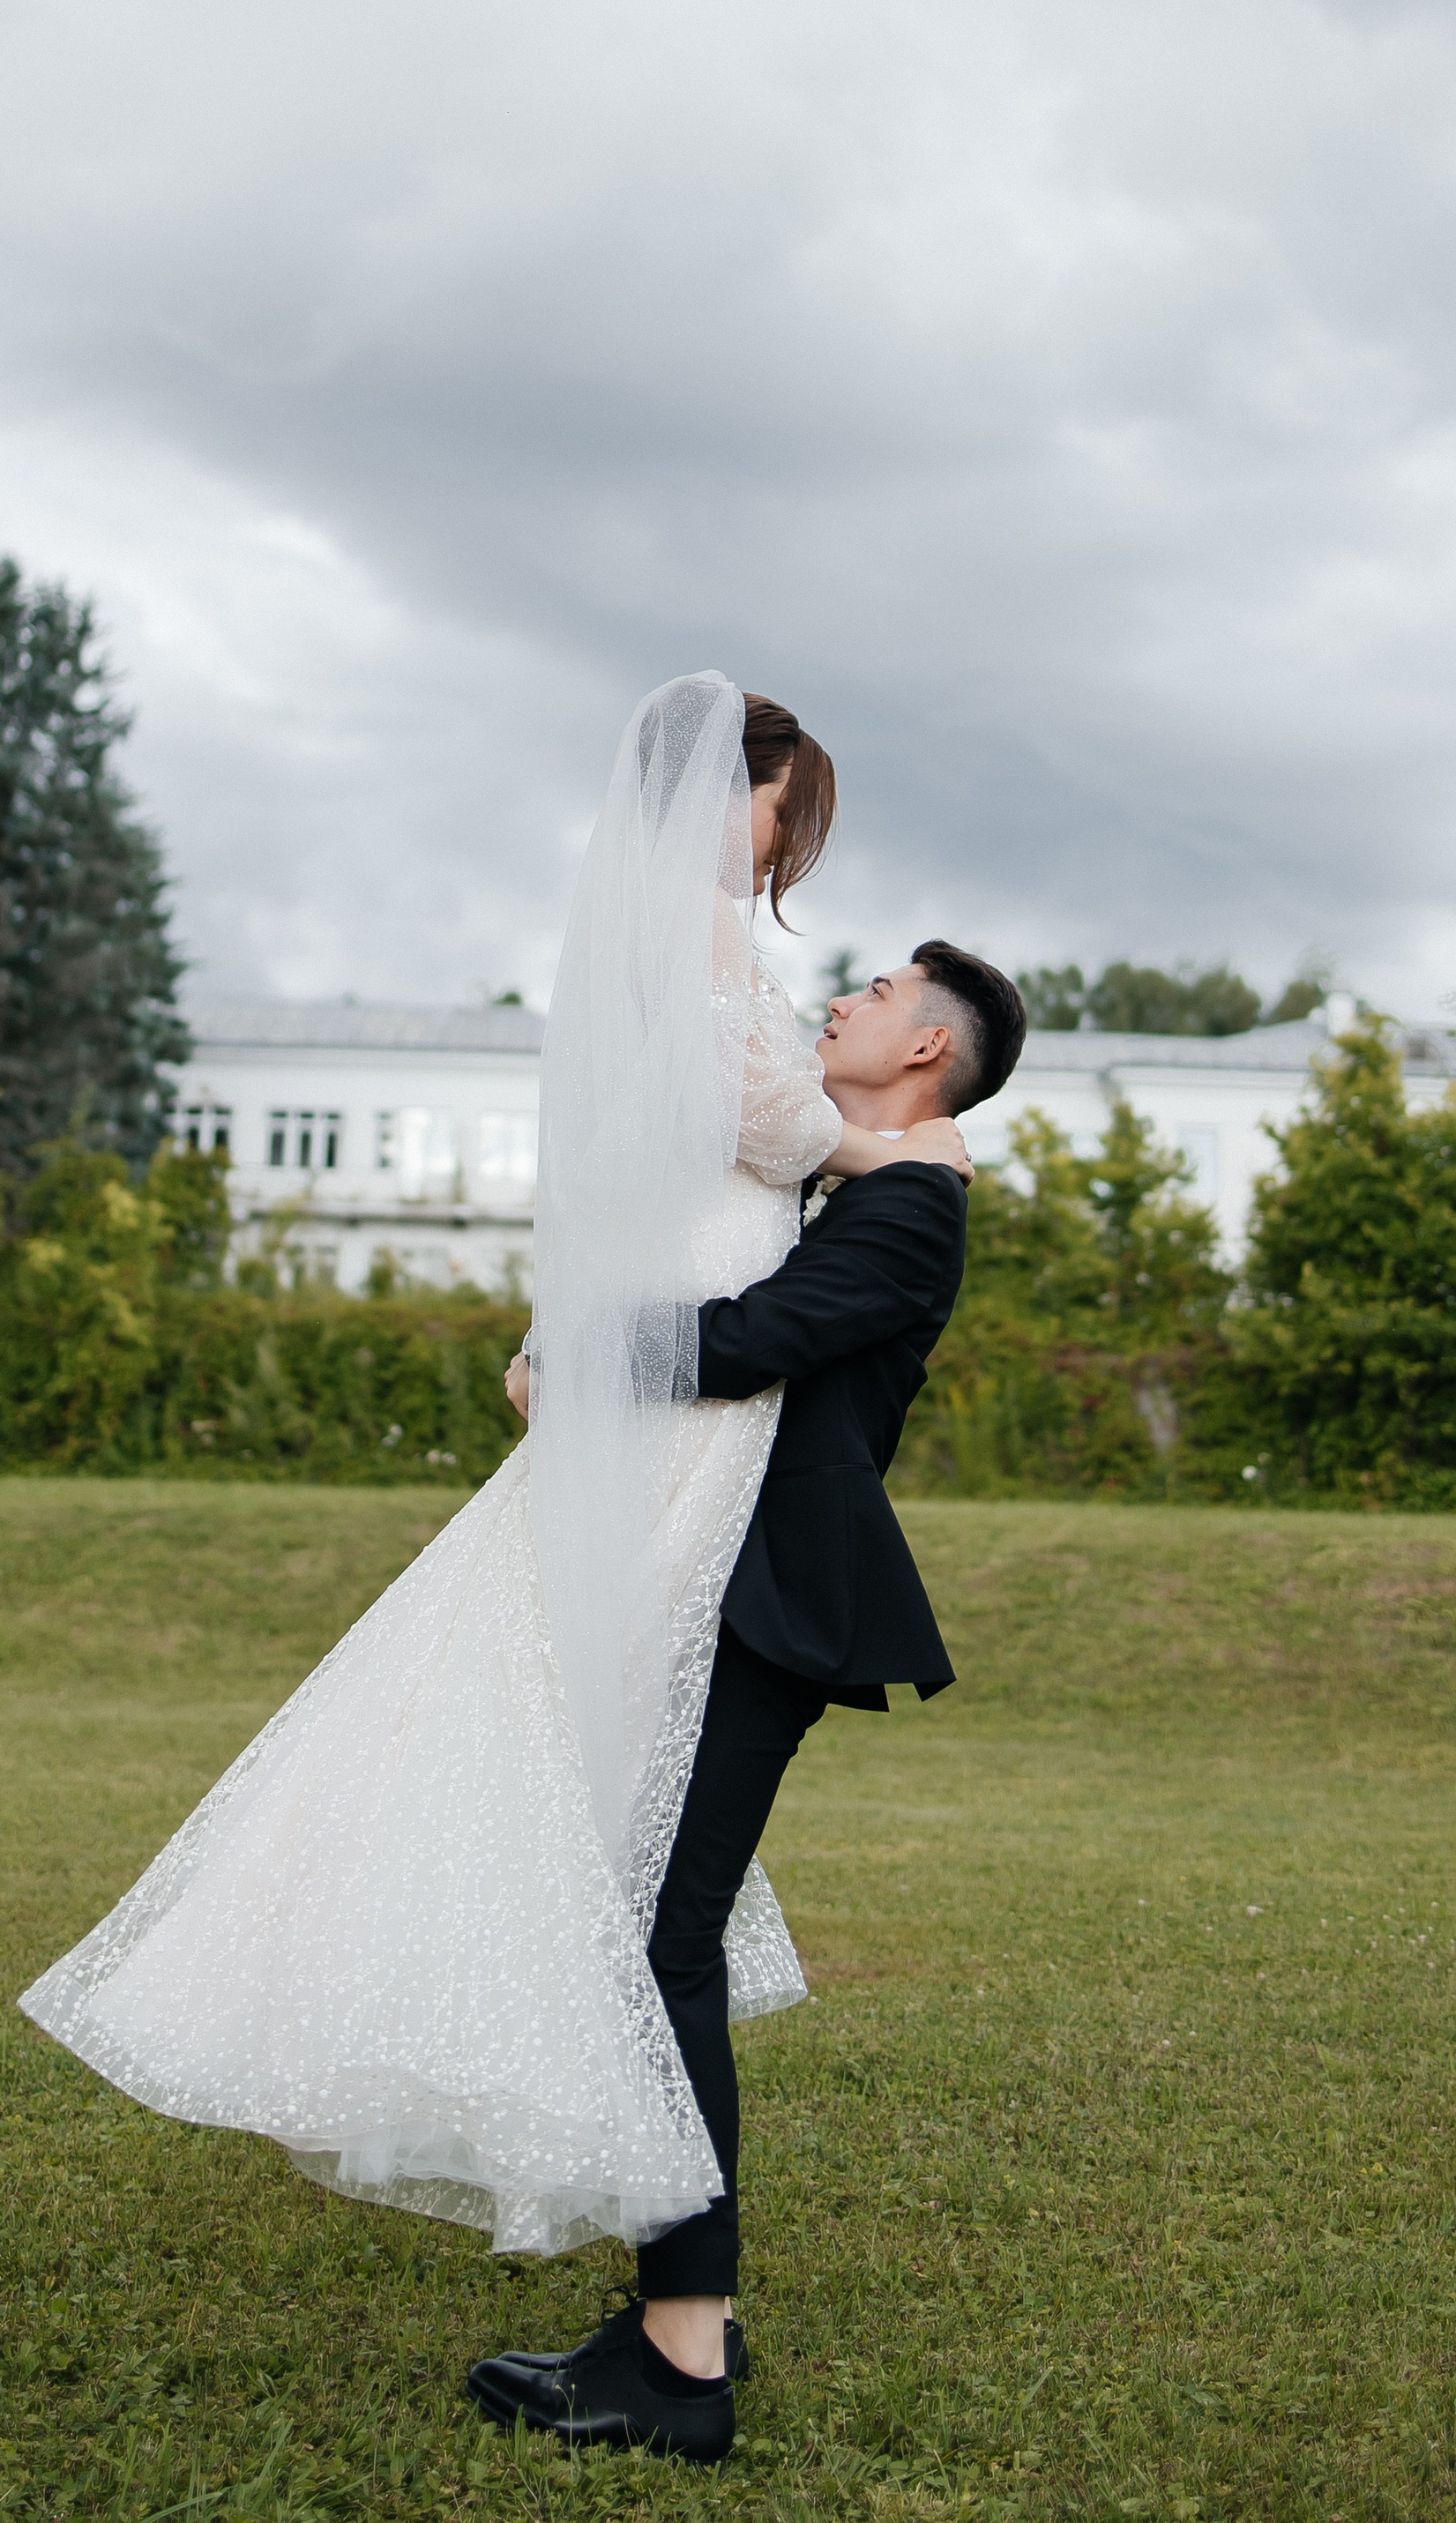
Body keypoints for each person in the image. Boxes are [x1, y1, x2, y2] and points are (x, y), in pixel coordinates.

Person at [18, 678, 967, 2284]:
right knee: (578, 1718)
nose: (776, 846)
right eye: (776, 810)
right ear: (715, 797)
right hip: (693, 1360)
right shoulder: (702, 937)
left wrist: (588, 1328)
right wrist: (880, 1153)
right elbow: (753, 1115)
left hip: (690, 1345)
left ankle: (654, 2248)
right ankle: (658, 2262)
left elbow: (661, 1175)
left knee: (568, 1715)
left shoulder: (661, 937)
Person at [467, 937, 1027, 2463]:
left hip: (776, 1602)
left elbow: (746, 1345)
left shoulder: (914, 1206)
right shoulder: (867, 1176)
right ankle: (671, 2313)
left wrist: (572, 1356)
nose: (845, 999)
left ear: (927, 1054)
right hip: (716, 1579)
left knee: (665, 1939)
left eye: (882, 998)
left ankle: (684, 2361)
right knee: (652, 1929)